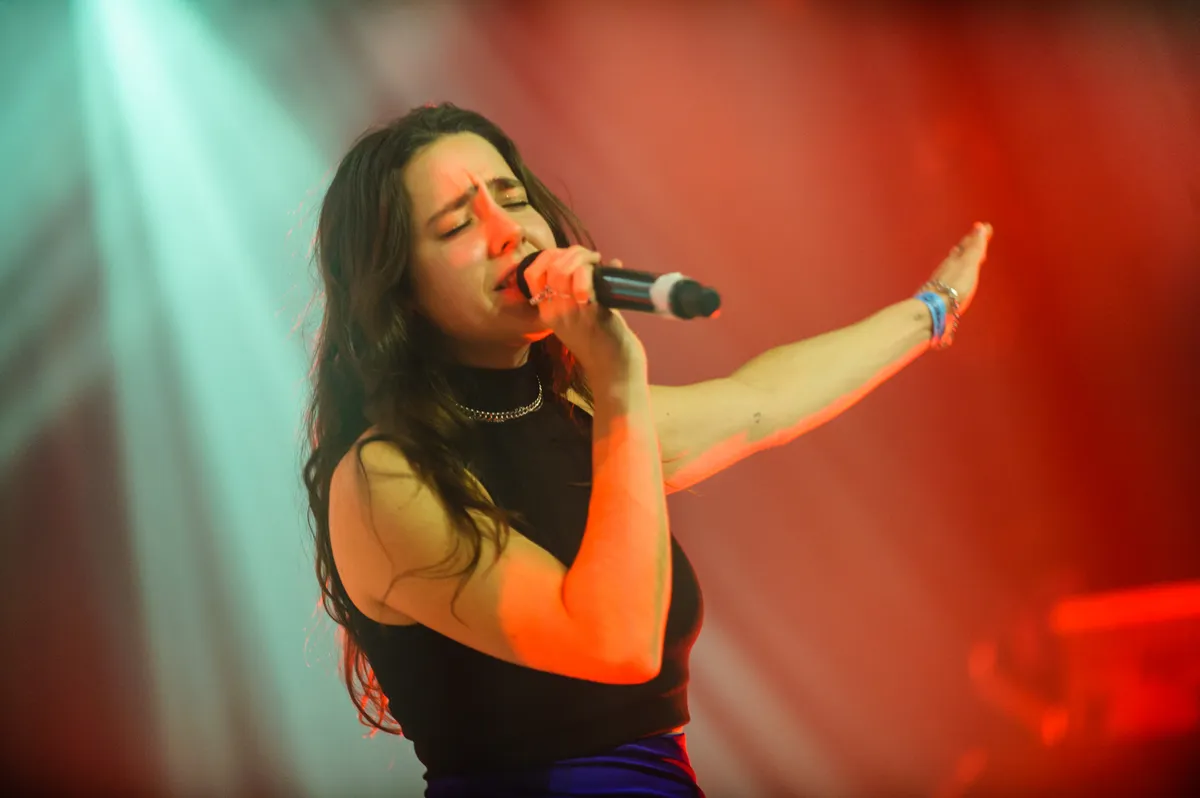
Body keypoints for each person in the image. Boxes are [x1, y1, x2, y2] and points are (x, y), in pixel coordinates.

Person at [301, 102, 991, 796]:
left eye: (512, 199)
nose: (509, 232)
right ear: (399, 290)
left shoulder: (574, 417)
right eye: (457, 225)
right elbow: (616, 643)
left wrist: (934, 309)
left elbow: (764, 400)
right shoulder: (384, 478)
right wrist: (617, 375)